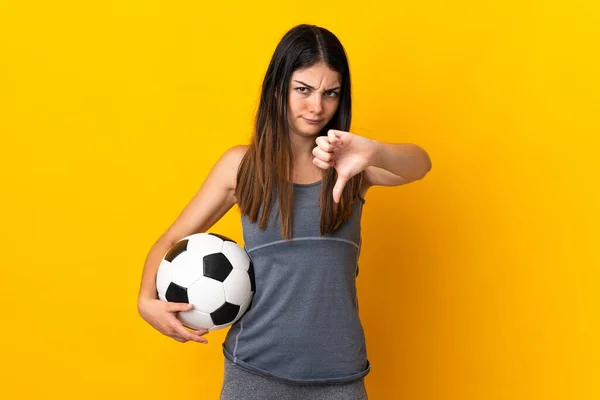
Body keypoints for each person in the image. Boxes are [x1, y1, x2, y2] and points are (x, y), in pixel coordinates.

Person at [137, 24, 432, 400]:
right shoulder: (241, 166)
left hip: (340, 376)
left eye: (331, 93)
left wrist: (373, 151)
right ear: (279, 88)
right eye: (303, 90)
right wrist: (146, 301)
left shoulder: (351, 164)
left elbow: (421, 165)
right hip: (255, 372)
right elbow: (170, 240)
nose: (317, 106)